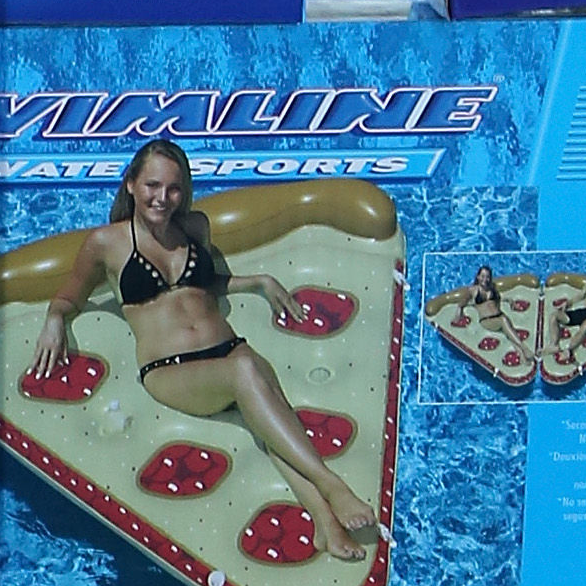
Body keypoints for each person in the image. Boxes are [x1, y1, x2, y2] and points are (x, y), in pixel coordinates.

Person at [27, 135, 381, 553]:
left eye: (173, 188)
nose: (162, 198)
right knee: (248, 373)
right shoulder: (107, 243)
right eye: (152, 186)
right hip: (171, 369)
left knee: (273, 422)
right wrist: (55, 319)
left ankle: (325, 524)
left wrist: (259, 281)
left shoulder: (194, 228)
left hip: (228, 350)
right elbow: (70, 294)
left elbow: (205, 284)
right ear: (131, 184)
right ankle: (332, 485)